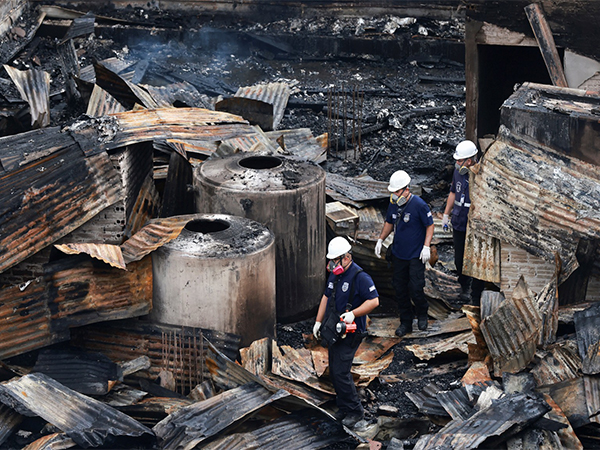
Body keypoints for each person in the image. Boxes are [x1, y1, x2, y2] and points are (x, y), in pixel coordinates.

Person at [313, 236, 379, 429]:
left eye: (335, 260)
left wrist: (353, 314)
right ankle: (344, 406)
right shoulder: (335, 275)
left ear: (347, 257)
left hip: (352, 332)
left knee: (341, 372)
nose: (332, 264)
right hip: (336, 329)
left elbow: (374, 301)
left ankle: (355, 412)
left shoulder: (360, 277)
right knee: (334, 369)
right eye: (331, 260)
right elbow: (326, 297)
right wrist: (318, 322)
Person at [374, 170, 434, 337]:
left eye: (396, 192)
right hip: (399, 254)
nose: (394, 195)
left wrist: (426, 246)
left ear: (406, 190)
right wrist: (380, 239)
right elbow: (389, 222)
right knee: (400, 289)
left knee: (415, 288)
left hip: (415, 255)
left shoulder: (419, 205)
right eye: (392, 192)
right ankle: (406, 322)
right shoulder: (393, 204)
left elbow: (430, 225)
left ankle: (422, 313)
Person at [442, 140, 485, 305]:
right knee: (459, 260)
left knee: (476, 260)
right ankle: (463, 286)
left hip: (475, 227)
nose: (457, 163)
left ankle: (475, 295)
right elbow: (453, 192)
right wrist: (446, 214)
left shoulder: (481, 174)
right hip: (459, 222)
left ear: (469, 160)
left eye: (460, 161)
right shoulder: (458, 172)